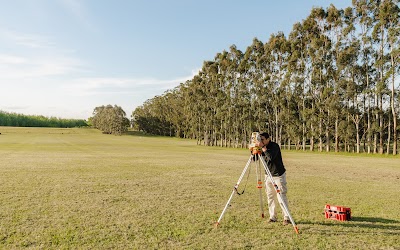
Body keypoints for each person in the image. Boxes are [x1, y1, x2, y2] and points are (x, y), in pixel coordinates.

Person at [255, 132, 291, 225]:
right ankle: (272, 217)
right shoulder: (262, 148)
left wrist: (262, 148)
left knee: (281, 197)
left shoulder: (274, 146)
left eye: (262, 139)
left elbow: (270, 157)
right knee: (270, 197)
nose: (261, 141)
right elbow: (254, 159)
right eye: (260, 139)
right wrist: (254, 150)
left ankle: (286, 217)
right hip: (268, 175)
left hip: (278, 175)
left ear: (268, 139)